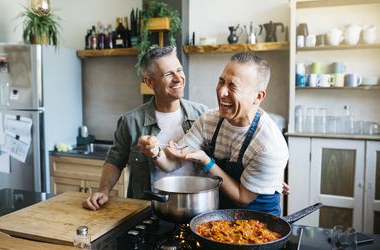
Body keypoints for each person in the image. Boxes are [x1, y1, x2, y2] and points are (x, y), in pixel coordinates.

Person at [138, 52, 289, 216]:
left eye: (233, 86)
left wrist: (207, 162)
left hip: (258, 225)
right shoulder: (209, 120)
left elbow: (242, 198)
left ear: (257, 97)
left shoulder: (269, 146)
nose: (222, 92)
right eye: (221, 81)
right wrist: (155, 152)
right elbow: (171, 163)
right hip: (218, 218)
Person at [83, 46, 208, 210]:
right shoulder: (130, 121)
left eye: (179, 70)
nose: (178, 78)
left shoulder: (203, 115)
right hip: (147, 212)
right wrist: (103, 190)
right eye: (169, 74)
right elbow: (115, 160)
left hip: (195, 209)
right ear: (149, 82)